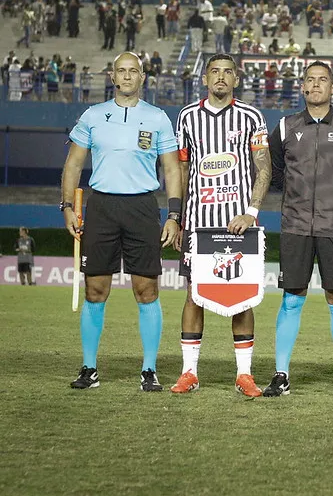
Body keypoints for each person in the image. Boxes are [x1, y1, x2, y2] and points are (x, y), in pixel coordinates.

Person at [61, 51, 182, 391]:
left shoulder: (157, 118)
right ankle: (89, 368)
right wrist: (67, 206)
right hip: (101, 208)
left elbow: (172, 168)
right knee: (95, 289)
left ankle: (149, 370)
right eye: (121, 71)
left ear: (143, 77)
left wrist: (174, 214)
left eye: (134, 71)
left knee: (147, 290)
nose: (127, 76)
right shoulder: (93, 115)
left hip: (143, 207)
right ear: (112, 77)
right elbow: (73, 164)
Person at [261, 61, 333, 399]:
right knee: (292, 298)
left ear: (332, 87)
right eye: (311, 80)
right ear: (303, 87)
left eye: (323, 80)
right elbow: (276, 171)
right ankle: (281, 374)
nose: (316, 85)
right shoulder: (284, 127)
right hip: (295, 226)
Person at [169, 54, 271, 398]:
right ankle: (189, 372)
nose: (221, 77)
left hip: (237, 224)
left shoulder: (251, 116)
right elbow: (182, 170)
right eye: (215, 71)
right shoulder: (186, 117)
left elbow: (264, 168)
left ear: (237, 79)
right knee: (193, 296)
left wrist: (251, 211)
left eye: (228, 72)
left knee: (241, 299)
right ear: (205, 78)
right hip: (198, 225)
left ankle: (244, 374)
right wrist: (179, 217)